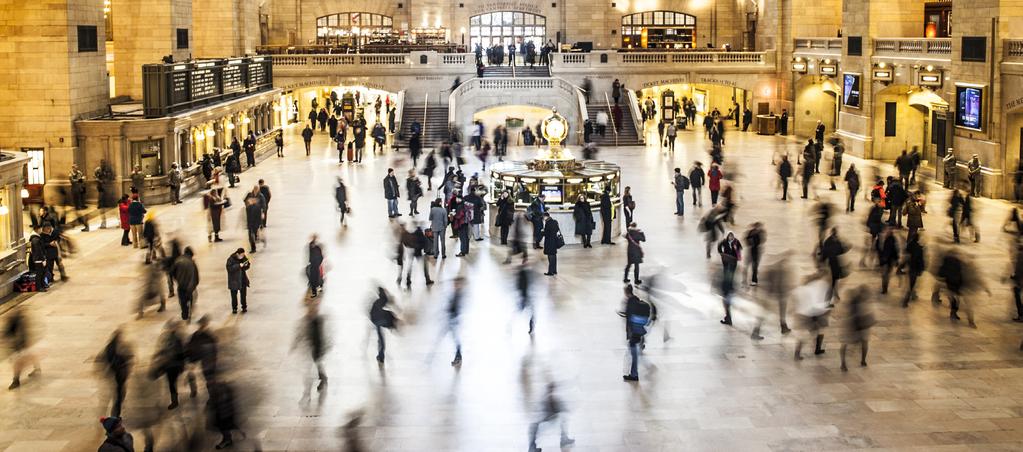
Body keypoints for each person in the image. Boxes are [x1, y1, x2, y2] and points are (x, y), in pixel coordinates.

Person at [527, 382, 575, 451]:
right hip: (546, 418)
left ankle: (564, 439)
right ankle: (532, 447)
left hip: (552, 418)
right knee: (533, 426)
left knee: (563, 418)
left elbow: (564, 409)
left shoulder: (555, 398)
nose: (551, 391)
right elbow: (539, 411)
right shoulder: (545, 398)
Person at [620, 284, 654, 381]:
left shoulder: (630, 302)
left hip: (634, 332)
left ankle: (634, 375)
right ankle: (634, 373)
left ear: (626, 292)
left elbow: (629, 320)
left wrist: (629, 335)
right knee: (634, 353)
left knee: (633, 353)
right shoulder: (636, 299)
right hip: (638, 331)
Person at [793, 274, 831, 360]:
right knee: (816, 331)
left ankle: (801, 352)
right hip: (810, 314)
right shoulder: (816, 287)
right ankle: (814, 349)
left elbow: (795, 301)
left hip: (803, 313)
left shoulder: (800, 289)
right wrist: (826, 310)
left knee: (812, 332)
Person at [152, 320, 186, 410]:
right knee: (171, 383)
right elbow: (163, 350)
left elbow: (181, 353)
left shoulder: (176, 339)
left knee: (172, 383)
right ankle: (174, 400)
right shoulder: (169, 338)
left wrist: (181, 364)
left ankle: (174, 401)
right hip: (169, 365)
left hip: (173, 365)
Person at [99, 329, 133, 416]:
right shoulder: (112, 348)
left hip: (118, 376)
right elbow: (112, 361)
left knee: (119, 396)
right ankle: (114, 417)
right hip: (116, 376)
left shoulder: (113, 346)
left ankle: (115, 415)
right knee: (118, 397)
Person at [4, 308, 41, 390]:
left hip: (20, 345)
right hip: (18, 345)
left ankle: (16, 381)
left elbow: (21, 335)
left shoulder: (19, 320)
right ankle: (37, 368)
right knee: (27, 356)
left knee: (17, 363)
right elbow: (7, 333)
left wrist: (19, 346)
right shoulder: (12, 320)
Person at [840, 285, 874, 371]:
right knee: (846, 343)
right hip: (852, 325)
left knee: (864, 342)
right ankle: (843, 363)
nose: (867, 296)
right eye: (866, 294)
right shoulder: (855, 301)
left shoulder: (864, 301)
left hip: (861, 325)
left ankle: (863, 360)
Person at [717, 231, 742, 325]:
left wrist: (736, 250)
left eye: (732, 236)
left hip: (733, 261)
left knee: (727, 304)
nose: (731, 237)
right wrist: (722, 253)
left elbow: (739, 249)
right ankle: (728, 318)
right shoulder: (724, 241)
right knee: (727, 272)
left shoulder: (736, 242)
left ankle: (728, 319)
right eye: (729, 236)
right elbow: (719, 246)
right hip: (726, 259)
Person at [369, 287, 398, 363]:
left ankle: (381, 355)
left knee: (380, 338)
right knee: (381, 339)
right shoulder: (384, 299)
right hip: (378, 319)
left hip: (375, 320)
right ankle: (381, 355)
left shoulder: (378, 301)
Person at [171, 247, 199, 320]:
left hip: (181, 285)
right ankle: (189, 311)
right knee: (190, 298)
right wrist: (195, 284)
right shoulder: (192, 262)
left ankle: (184, 313)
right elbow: (196, 275)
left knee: (182, 300)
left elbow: (172, 272)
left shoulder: (178, 260)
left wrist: (177, 279)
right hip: (190, 285)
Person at [902, 233, 925, 307]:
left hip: (909, 267)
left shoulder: (909, 245)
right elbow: (921, 260)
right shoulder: (919, 248)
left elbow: (906, 256)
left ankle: (910, 296)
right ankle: (907, 299)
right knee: (911, 284)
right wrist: (921, 269)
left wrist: (902, 266)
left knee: (908, 284)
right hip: (914, 268)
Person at [225, 248, 251, 314]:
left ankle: (244, 307)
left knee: (243, 295)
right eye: (241, 255)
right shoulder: (230, 259)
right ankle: (234, 308)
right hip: (234, 280)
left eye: (243, 255)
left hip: (243, 279)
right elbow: (229, 269)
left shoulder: (243, 257)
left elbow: (247, 265)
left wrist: (246, 265)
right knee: (234, 296)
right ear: (237, 254)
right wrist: (238, 265)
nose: (242, 256)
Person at [878, 225, 899, 294]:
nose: (887, 231)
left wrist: (896, 259)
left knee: (885, 275)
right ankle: (884, 288)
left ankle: (885, 288)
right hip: (886, 260)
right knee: (885, 275)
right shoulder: (884, 238)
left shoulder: (891, 239)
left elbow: (894, 250)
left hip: (888, 260)